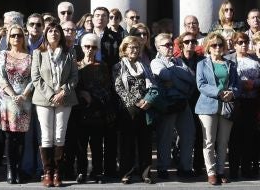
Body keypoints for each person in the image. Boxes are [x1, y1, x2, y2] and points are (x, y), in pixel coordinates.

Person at [32, 24, 78, 187]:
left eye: (56, 31)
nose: (53, 33)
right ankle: (47, 173)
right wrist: (51, 95)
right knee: (46, 135)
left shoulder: (70, 52)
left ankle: (58, 173)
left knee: (60, 134)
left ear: (61, 34)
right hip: (44, 99)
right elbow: (36, 78)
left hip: (65, 98)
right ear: (45, 34)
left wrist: (63, 92)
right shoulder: (38, 52)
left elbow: (74, 77)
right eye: (50, 31)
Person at [150, 33, 196, 180]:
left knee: (188, 135)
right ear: (158, 47)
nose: (170, 47)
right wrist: (179, 77)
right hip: (168, 103)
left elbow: (192, 79)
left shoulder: (179, 61)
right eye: (166, 45)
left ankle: (185, 167)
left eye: (171, 44)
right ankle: (163, 167)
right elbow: (164, 76)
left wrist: (174, 75)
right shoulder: (155, 62)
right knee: (165, 136)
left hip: (183, 101)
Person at [195, 33, 239, 185]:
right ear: (209, 47)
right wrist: (219, 93)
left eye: (220, 44)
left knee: (223, 141)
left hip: (226, 106)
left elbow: (236, 85)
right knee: (209, 142)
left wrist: (231, 92)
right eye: (214, 45)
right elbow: (201, 85)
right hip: (207, 106)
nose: (218, 47)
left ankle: (221, 171)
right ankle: (211, 172)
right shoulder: (202, 64)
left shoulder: (231, 64)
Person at [113, 36, 154, 184]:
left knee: (145, 142)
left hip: (146, 108)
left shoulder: (145, 66)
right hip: (127, 109)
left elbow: (153, 85)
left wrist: (148, 100)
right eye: (131, 47)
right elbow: (119, 88)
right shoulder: (119, 66)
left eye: (137, 47)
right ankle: (126, 172)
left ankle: (146, 173)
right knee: (127, 143)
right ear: (124, 49)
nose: (135, 50)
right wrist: (135, 102)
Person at [0, 24, 32, 184]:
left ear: (24, 37)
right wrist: (12, 95)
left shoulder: (30, 56)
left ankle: (18, 169)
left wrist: (24, 95)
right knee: (10, 137)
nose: (16, 38)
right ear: (8, 38)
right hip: (7, 101)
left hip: (25, 101)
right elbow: (0, 76)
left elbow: (34, 78)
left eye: (19, 35)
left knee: (21, 137)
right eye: (13, 35)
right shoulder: (3, 54)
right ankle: (10, 170)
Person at [74, 33, 112, 184]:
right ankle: (81, 172)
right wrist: (82, 93)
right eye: (87, 46)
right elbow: (72, 86)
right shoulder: (76, 65)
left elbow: (107, 87)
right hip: (81, 109)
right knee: (81, 144)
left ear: (97, 49)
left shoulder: (102, 66)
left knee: (97, 144)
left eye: (93, 47)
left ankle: (97, 172)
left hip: (97, 109)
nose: (90, 49)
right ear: (82, 47)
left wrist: (95, 98)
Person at [225, 32, 260, 179]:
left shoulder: (256, 60)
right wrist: (241, 84)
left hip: (252, 102)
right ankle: (233, 169)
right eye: (240, 42)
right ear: (234, 44)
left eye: (246, 42)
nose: (244, 45)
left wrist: (254, 84)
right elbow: (225, 78)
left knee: (249, 136)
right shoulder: (228, 59)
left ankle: (246, 169)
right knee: (234, 137)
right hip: (236, 102)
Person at [176, 31, 205, 176]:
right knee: (183, 136)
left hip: (199, 101)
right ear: (181, 45)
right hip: (182, 102)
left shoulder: (202, 60)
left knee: (199, 135)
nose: (190, 44)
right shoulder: (176, 61)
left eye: (193, 42)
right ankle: (182, 164)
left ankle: (198, 166)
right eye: (187, 42)